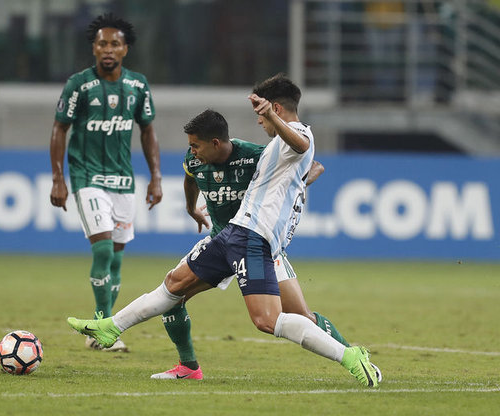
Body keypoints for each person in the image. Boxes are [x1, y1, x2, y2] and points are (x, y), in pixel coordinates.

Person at [67, 73, 381, 387]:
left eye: (263, 115)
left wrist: (272, 117)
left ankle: (349, 356)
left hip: (253, 237)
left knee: (267, 320)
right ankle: (111, 327)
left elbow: (301, 146)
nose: (259, 121)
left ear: (275, 108)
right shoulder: (274, 149)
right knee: (175, 283)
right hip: (234, 232)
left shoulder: (298, 133)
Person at [151, 110, 357, 380]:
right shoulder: (195, 157)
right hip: (219, 242)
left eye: (195, 144)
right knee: (171, 297)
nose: (193, 151)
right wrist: (191, 208)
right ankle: (188, 367)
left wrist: (290, 185)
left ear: (215, 142)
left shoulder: (255, 155)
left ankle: (354, 355)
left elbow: (313, 166)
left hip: (257, 243)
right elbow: (190, 178)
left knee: (301, 315)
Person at [50, 13, 163, 352]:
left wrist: (156, 177)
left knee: (115, 259)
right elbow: (59, 128)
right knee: (101, 248)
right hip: (86, 176)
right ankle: (102, 326)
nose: (108, 49)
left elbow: (148, 131)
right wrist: (58, 179)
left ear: (125, 49)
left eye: (115, 43)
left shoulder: (138, 86)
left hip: (123, 180)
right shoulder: (78, 85)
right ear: (94, 48)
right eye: (102, 43)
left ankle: (100, 329)